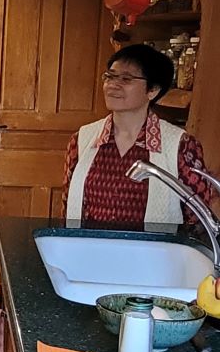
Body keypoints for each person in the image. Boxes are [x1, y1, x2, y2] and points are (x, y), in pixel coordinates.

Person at [63, 43, 212, 224]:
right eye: (110, 77)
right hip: (91, 249)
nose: (112, 85)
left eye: (126, 79)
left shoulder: (180, 145)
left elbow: (198, 218)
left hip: (155, 251)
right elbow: (68, 204)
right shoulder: (82, 139)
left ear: (153, 90)